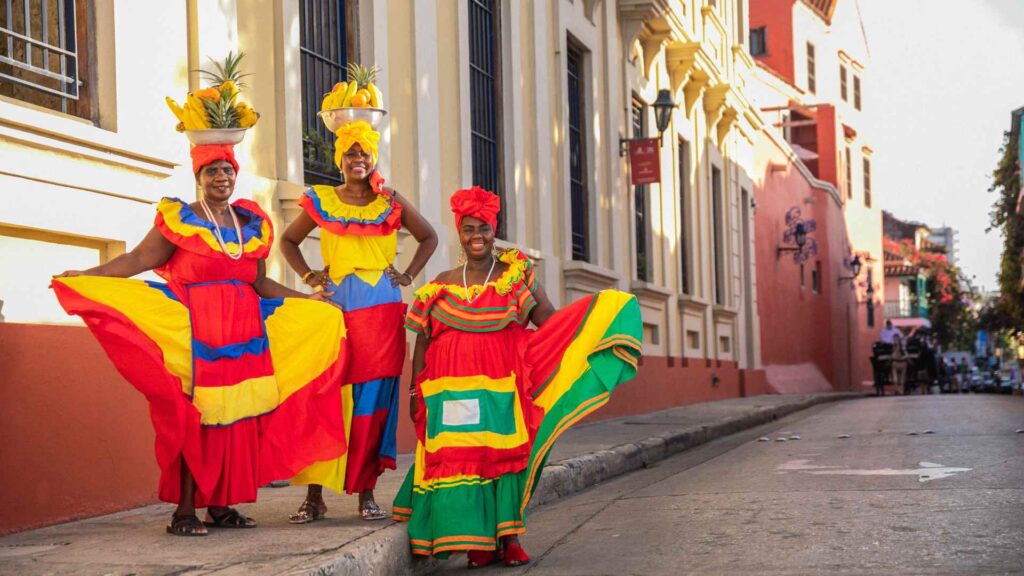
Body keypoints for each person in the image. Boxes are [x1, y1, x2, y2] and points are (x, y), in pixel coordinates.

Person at [51, 143, 349, 536]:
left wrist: (306, 300)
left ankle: (222, 507)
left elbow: (259, 282)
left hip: (244, 333)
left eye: (227, 169)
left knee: (235, 418)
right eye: (212, 171)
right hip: (198, 333)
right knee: (200, 417)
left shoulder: (250, 225)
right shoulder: (181, 219)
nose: (221, 177)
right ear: (199, 177)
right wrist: (90, 274)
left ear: (235, 174)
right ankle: (185, 511)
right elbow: (138, 259)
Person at [392, 187, 642, 567]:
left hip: (503, 390)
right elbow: (423, 341)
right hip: (449, 393)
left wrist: (595, 321)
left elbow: (552, 324)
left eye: (485, 229)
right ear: (459, 233)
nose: (477, 236)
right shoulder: (440, 283)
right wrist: (413, 390)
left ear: (495, 232)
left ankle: (508, 538)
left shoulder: (517, 278)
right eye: (469, 229)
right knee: (462, 458)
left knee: (503, 458)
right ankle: (477, 542)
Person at [280, 119, 438, 522]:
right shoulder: (321, 199)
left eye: (364, 152)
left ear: (373, 157)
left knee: (373, 401)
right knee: (326, 394)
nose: (358, 159)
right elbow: (288, 241)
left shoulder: (391, 201)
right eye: (350, 151)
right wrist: (309, 276)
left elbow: (429, 236)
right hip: (336, 308)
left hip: (382, 310)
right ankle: (314, 496)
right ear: (340, 157)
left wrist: (406, 276)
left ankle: (366, 492)